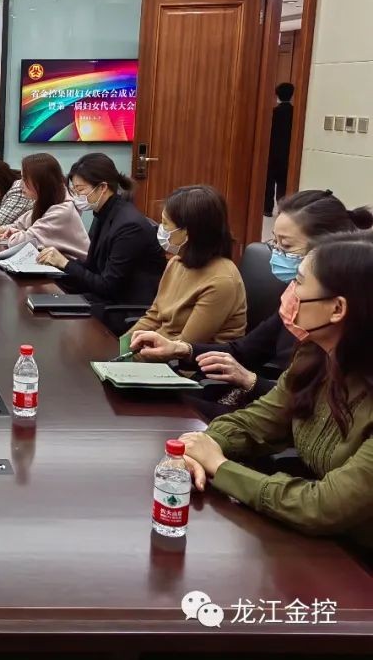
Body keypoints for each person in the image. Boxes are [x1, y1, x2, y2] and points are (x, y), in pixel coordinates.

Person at [178, 231, 373, 553]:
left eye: (299, 282)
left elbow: (323, 507)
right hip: (320, 544)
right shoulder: (315, 355)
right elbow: (257, 421)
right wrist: (205, 445)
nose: (288, 292)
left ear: (337, 308)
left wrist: (220, 467)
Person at [133, 190, 373, 414]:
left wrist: (251, 381)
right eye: (274, 242)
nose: (276, 253)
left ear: (325, 252)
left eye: (286, 246)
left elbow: (314, 406)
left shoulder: (344, 327)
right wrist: (180, 349)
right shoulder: (294, 299)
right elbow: (245, 351)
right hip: (267, 405)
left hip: (283, 414)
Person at [37, 153, 165, 308]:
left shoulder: (129, 226)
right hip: (103, 298)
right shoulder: (103, 213)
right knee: (42, 296)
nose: (76, 196)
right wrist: (56, 263)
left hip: (122, 307)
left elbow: (108, 287)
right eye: (74, 190)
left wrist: (65, 263)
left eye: (80, 189)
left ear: (103, 187)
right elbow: (92, 267)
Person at [127, 185, 247, 347]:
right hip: (157, 348)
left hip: (187, 360)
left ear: (188, 232)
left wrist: (130, 355)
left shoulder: (221, 281)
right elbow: (154, 317)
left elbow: (186, 346)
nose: (161, 229)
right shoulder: (176, 262)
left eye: (165, 224)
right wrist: (120, 346)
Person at [0, 153, 89, 259]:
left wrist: (16, 234)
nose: (20, 184)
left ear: (41, 181)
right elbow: (20, 224)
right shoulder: (47, 202)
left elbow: (22, 242)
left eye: (24, 179)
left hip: (74, 267)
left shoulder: (62, 210)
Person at [264, 82, 294, 217]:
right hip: (287, 152)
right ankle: (282, 208)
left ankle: (267, 209)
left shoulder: (273, 113)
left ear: (277, 95)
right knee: (283, 183)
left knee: (269, 182)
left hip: (272, 151)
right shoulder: (295, 114)